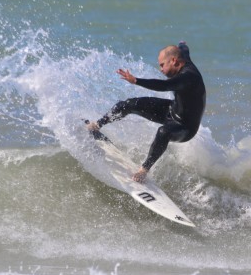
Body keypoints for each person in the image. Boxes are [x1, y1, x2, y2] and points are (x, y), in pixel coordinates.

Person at [87, 43, 206, 183]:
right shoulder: (182, 58)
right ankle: (97, 125)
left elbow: (164, 85)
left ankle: (144, 170)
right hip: (172, 110)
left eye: (162, 65)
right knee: (130, 104)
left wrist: (136, 80)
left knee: (163, 132)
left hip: (185, 127)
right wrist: (182, 44)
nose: (160, 69)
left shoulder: (189, 77)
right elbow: (184, 50)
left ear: (174, 61)